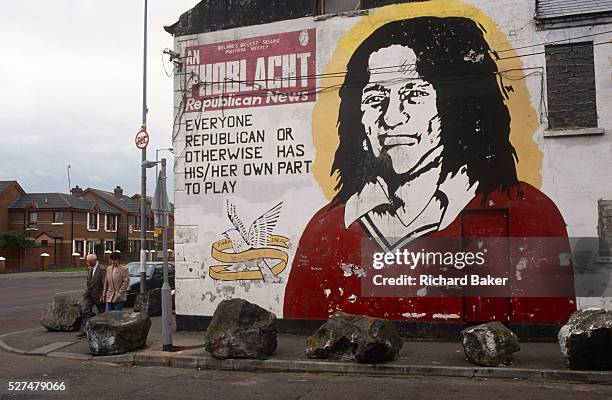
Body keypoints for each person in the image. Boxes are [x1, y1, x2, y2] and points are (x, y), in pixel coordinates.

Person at [283, 16, 576, 324]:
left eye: (414, 95)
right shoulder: (325, 230)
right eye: (375, 99)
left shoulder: (529, 215)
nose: (392, 118)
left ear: (459, 109)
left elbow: (548, 336)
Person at [76, 254, 106, 338]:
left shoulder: (102, 269)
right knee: (85, 311)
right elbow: (88, 282)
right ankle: (84, 330)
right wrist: (85, 293)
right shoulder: (89, 269)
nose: (87, 263)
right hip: (89, 295)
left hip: (99, 295)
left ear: (93, 261)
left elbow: (104, 284)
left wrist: (104, 295)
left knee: (102, 313)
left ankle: (102, 330)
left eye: (88, 261)